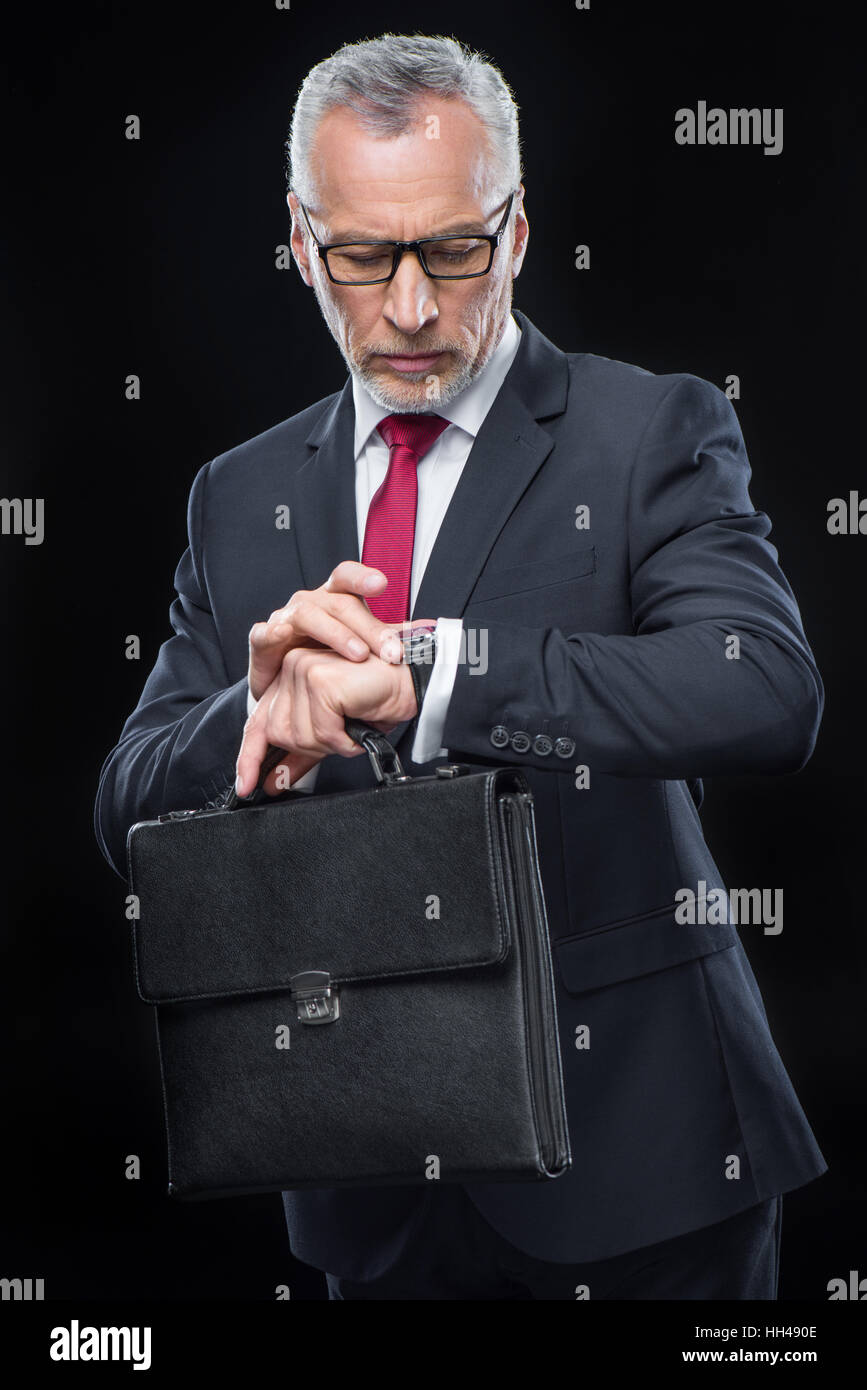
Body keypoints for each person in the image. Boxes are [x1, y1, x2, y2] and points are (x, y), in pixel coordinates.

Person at [95, 33, 826, 1300]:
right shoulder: (240, 494)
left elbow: (765, 686)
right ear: (300, 239)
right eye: (364, 259)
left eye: (455, 249)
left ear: (521, 231)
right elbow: (125, 807)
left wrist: (438, 670)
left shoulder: (649, 428)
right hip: (361, 1172)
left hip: (641, 1165)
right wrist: (253, 714)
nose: (414, 309)